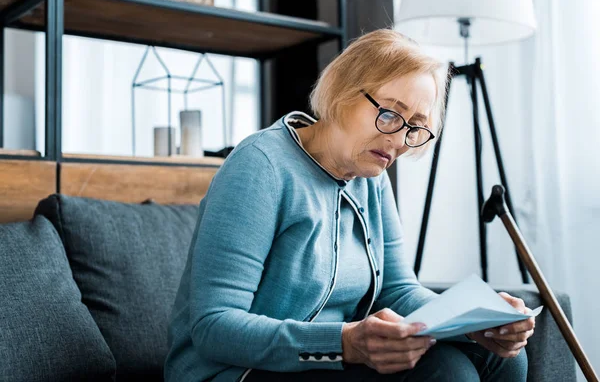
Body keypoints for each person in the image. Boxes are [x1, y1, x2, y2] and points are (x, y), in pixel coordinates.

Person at [164, 29, 535, 382]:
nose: (399, 141)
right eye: (390, 113)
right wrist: (343, 345)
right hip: (235, 370)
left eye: (414, 128)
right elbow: (213, 327)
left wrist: (476, 320)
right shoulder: (261, 166)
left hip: (329, 362)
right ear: (342, 91)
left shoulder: (370, 174)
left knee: (500, 357)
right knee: (445, 372)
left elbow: (398, 291)